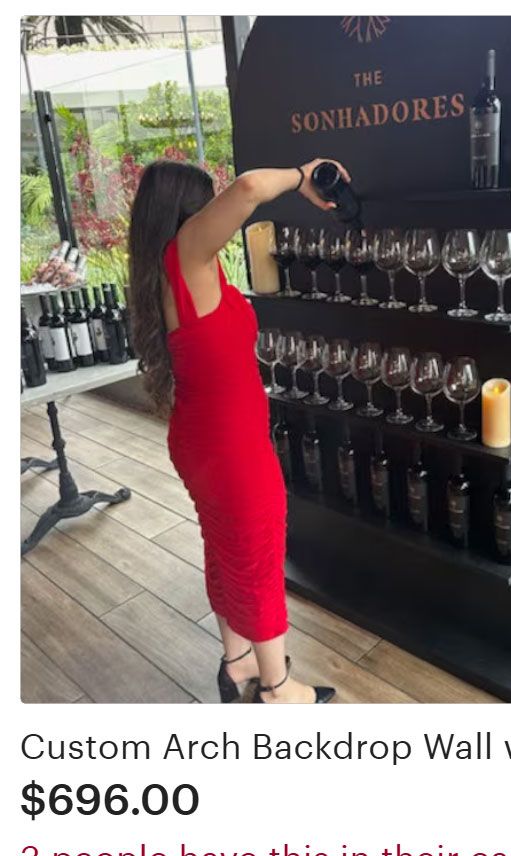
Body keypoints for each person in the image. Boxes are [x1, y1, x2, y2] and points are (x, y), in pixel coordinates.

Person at [128, 159, 349, 704]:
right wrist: (304, 176)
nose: (212, 213)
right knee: (257, 554)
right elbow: (249, 188)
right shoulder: (186, 258)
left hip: (203, 440)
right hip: (229, 446)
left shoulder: (171, 271)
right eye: (203, 205)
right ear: (186, 212)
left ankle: (238, 665)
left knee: (227, 548)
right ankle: (277, 690)